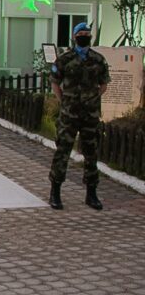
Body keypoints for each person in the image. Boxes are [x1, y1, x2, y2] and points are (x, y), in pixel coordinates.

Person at [48, 22, 109, 211]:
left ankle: (92, 194)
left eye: (87, 33)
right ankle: (55, 192)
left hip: (90, 115)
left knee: (91, 153)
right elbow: (55, 83)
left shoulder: (98, 60)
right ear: (74, 37)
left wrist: (91, 100)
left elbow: (103, 84)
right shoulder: (65, 59)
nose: (84, 35)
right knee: (63, 152)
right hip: (69, 114)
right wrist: (65, 101)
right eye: (81, 33)